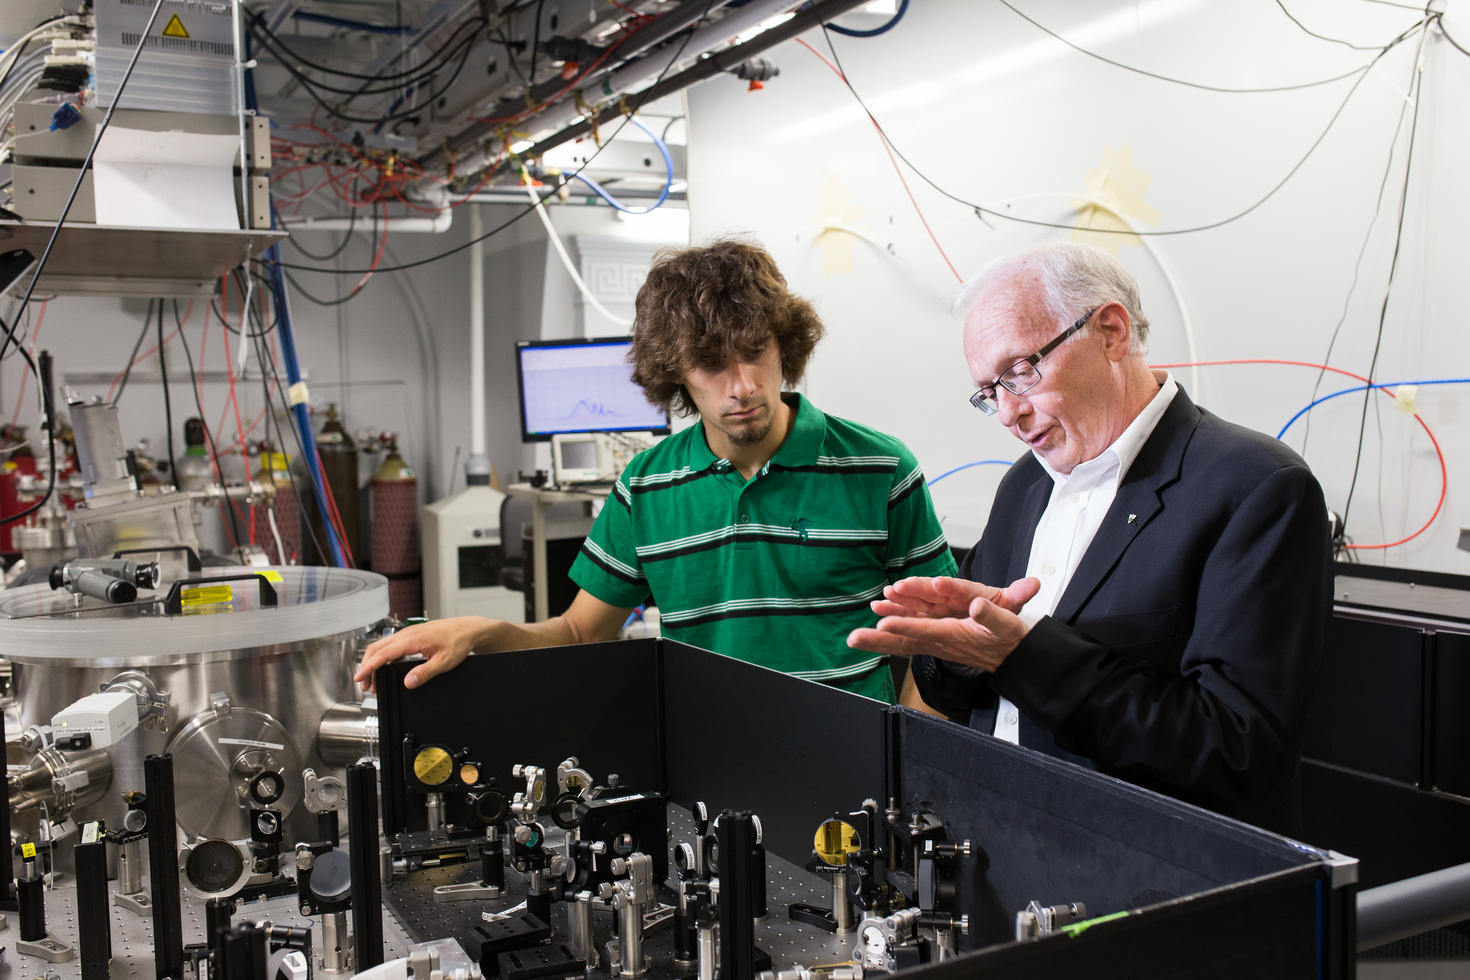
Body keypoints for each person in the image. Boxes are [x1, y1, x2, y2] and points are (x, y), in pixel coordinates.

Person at [847, 242, 1331, 831]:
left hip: (1136, 877)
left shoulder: (1256, 488)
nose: (1007, 414)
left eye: (1020, 372)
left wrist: (1023, 657)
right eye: (988, 391)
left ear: (1110, 332)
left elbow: (1235, 750)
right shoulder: (1026, 485)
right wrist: (953, 654)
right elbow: (971, 696)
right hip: (997, 846)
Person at [358, 239, 955, 702]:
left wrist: (915, 761)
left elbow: (943, 640)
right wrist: (481, 634)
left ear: (785, 344)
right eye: (712, 364)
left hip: (853, 772)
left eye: (755, 352)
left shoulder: (882, 469)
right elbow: (578, 634)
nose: (742, 386)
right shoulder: (645, 487)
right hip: (706, 771)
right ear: (675, 373)